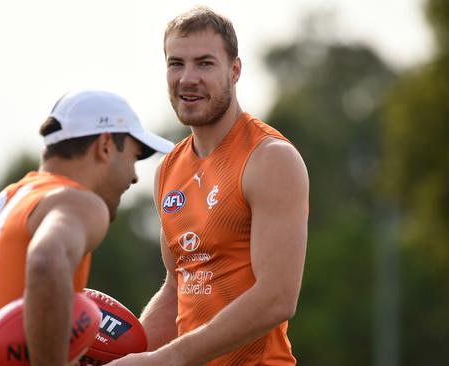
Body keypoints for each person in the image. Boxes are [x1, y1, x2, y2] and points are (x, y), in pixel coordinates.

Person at [108, 6, 309, 366]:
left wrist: (170, 358)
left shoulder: (270, 159)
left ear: (234, 70)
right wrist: (116, 357)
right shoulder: (168, 168)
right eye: (176, 64)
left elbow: (278, 297)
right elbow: (176, 288)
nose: (188, 78)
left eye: (204, 63)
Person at [0, 89, 174, 366]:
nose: (134, 176)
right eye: (135, 155)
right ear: (105, 145)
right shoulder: (79, 201)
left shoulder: (6, 204)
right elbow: (46, 260)